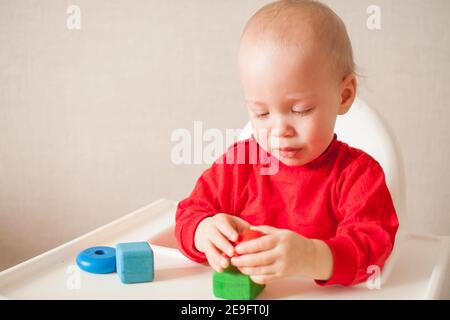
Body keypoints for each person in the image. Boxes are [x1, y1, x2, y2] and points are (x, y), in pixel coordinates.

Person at [174, 0, 399, 287]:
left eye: (301, 110)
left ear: (343, 96)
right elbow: (187, 215)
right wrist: (202, 232)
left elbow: (374, 249)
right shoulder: (239, 166)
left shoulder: (358, 176)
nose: (280, 130)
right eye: (262, 113)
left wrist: (311, 257)